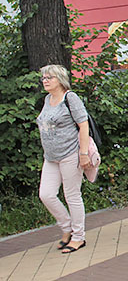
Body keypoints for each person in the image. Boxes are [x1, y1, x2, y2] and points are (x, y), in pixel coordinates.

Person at [37, 65, 91, 253]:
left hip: (70, 155)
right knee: (46, 194)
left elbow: (83, 125)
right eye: (43, 78)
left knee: (72, 196)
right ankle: (67, 227)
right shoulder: (47, 99)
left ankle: (78, 237)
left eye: (49, 77)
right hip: (51, 157)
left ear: (60, 79)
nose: (45, 80)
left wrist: (83, 153)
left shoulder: (70, 98)